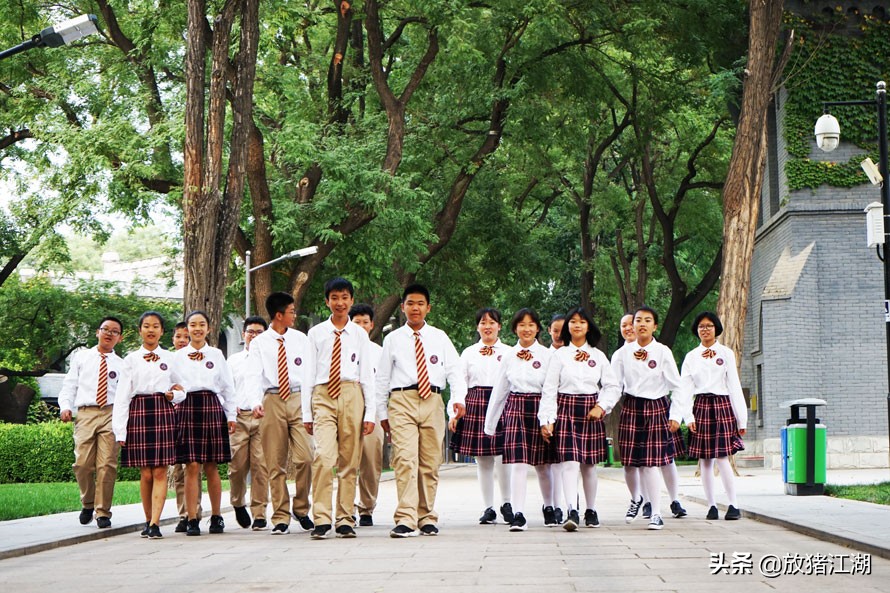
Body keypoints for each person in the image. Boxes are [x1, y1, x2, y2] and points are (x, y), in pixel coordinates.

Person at [376, 283, 467, 538]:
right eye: (410, 303)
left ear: (428, 307)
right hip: (402, 400)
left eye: (420, 303)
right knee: (405, 459)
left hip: (433, 401)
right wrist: (382, 412)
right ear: (403, 307)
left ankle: (426, 516)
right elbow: (382, 378)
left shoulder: (440, 337)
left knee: (429, 462)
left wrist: (457, 400)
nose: (415, 308)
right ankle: (406, 517)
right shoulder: (392, 339)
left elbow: (455, 372)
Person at [306, 278, 376, 539]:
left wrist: (370, 413)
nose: (340, 302)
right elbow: (308, 374)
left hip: (351, 392)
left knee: (350, 460)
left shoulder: (359, 334)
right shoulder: (316, 333)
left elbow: (366, 373)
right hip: (323, 394)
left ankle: (345, 518)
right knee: (324, 457)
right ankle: (321, 518)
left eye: (345, 297)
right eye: (335, 297)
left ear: (351, 300)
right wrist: (306, 413)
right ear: (327, 301)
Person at [539, 307, 620, 532]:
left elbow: (613, 386)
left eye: (582, 322)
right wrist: (547, 419)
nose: (577, 325)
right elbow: (549, 389)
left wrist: (601, 406)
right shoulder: (559, 355)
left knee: (588, 465)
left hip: (590, 410)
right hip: (565, 408)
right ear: (567, 327)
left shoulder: (598, 355)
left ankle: (591, 509)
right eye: (573, 322)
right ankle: (570, 509)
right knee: (569, 462)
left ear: (588, 326)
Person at [611, 306, 688, 531]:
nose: (642, 324)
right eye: (638, 320)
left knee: (650, 463)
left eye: (647, 320)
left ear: (655, 326)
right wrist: (602, 408)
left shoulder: (663, 351)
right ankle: (636, 499)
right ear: (632, 325)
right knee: (628, 463)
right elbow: (614, 386)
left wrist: (676, 415)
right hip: (632, 407)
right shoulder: (621, 354)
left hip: (656, 407)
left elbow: (678, 386)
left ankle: (656, 513)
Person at [246, 292, 315, 535]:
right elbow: (253, 374)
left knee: (306, 457)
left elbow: (309, 374)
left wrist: (310, 406)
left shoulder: (302, 340)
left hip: (298, 397)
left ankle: (302, 507)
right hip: (272, 399)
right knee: (275, 463)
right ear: (279, 315)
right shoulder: (259, 343)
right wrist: (256, 401)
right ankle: (281, 516)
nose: (294, 315)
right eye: (291, 311)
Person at [113, 311, 184, 539]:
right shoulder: (131, 360)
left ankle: (155, 523)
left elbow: (183, 388)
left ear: (162, 331)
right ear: (140, 330)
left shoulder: (172, 358)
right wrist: (120, 430)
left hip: (163, 409)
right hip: (140, 411)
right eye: (146, 326)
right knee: (145, 473)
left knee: (161, 470)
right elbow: (122, 396)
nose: (151, 330)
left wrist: (174, 397)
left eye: (155, 326)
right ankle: (147, 519)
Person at [483, 308, 556, 531]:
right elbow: (500, 390)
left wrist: (547, 419)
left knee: (543, 465)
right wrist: (490, 423)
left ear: (537, 329)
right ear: (515, 328)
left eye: (531, 325)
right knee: (518, 463)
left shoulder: (547, 355)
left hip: (539, 407)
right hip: (515, 408)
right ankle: (519, 514)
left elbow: (551, 390)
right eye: (522, 325)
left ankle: (550, 507)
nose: (526, 329)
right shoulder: (508, 356)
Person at [170, 310, 237, 536]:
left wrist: (231, 416)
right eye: (192, 324)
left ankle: (217, 517)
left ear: (208, 328)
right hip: (188, 407)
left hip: (211, 406)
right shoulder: (177, 357)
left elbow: (228, 387)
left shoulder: (217, 355)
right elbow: (173, 388)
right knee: (191, 465)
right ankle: (192, 518)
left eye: (201, 324)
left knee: (212, 465)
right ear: (187, 329)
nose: (197, 328)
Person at [678, 311, 746, 521]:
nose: (705, 329)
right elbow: (685, 389)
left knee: (723, 457)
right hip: (701, 407)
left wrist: (741, 418)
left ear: (716, 328)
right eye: (701, 326)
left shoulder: (725, 353)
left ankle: (733, 505)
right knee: (705, 460)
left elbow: (734, 385)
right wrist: (688, 417)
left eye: (708, 326)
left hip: (723, 405)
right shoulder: (691, 357)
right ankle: (712, 506)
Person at [59, 317, 125, 528]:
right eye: (105, 329)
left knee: (107, 464)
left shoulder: (122, 365)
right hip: (86, 412)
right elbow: (70, 384)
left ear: (120, 338)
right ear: (97, 332)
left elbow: (125, 396)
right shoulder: (82, 357)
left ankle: (103, 511)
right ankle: (88, 503)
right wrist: (65, 406)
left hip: (111, 413)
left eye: (114, 331)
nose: (109, 334)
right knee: (82, 464)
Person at [451, 308, 512, 525]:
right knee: (483, 459)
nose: (487, 326)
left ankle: (507, 503)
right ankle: (488, 508)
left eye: (492, 322)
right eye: (483, 323)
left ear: (499, 326)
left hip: (502, 402)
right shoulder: (468, 353)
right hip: (476, 403)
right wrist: (455, 413)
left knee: (504, 457)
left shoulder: (509, 352)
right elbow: (460, 382)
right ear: (477, 327)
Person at [226, 316, 270, 531]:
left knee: (261, 466)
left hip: (263, 418)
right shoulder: (233, 361)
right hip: (239, 418)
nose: (254, 336)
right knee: (237, 466)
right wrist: (229, 409)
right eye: (251, 331)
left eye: (260, 332)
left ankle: (260, 512)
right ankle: (237, 502)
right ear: (244, 335)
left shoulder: (269, 360)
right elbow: (224, 387)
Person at [349, 303, 385, 527]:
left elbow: (384, 385)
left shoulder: (380, 353)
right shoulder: (341, 349)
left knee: (371, 461)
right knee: (348, 459)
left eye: (365, 322)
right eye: (357, 322)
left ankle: (366, 508)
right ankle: (346, 507)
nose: (361, 326)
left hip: (375, 412)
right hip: (348, 408)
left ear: (372, 325)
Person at [170, 320, 202, 532]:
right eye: (178, 337)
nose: (182, 341)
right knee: (177, 470)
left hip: (192, 415)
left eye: (185, 337)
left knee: (192, 467)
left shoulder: (195, 360)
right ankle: (183, 513)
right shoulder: (168, 361)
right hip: (171, 419)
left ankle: (193, 513)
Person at [547, 314, 566, 524]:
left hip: (571, 410)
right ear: (549, 331)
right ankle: (553, 505)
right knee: (552, 462)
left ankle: (571, 505)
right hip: (549, 410)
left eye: (562, 330)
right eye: (555, 329)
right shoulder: (544, 355)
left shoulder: (575, 354)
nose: (559, 334)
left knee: (570, 462)